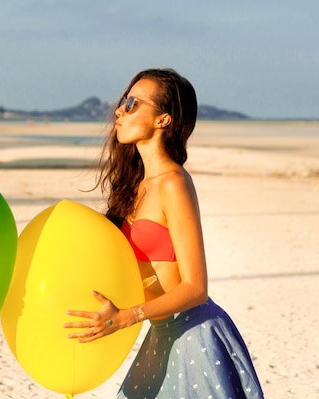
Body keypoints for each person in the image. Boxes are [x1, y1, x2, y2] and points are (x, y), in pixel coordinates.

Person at [63, 68, 263, 398]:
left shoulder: (174, 183)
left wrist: (127, 317)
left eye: (132, 103)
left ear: (163, 120)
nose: (119, 110)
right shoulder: (135, 186)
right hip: (160, 336)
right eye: (123, 102)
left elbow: (196, 287)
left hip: (194, 334)